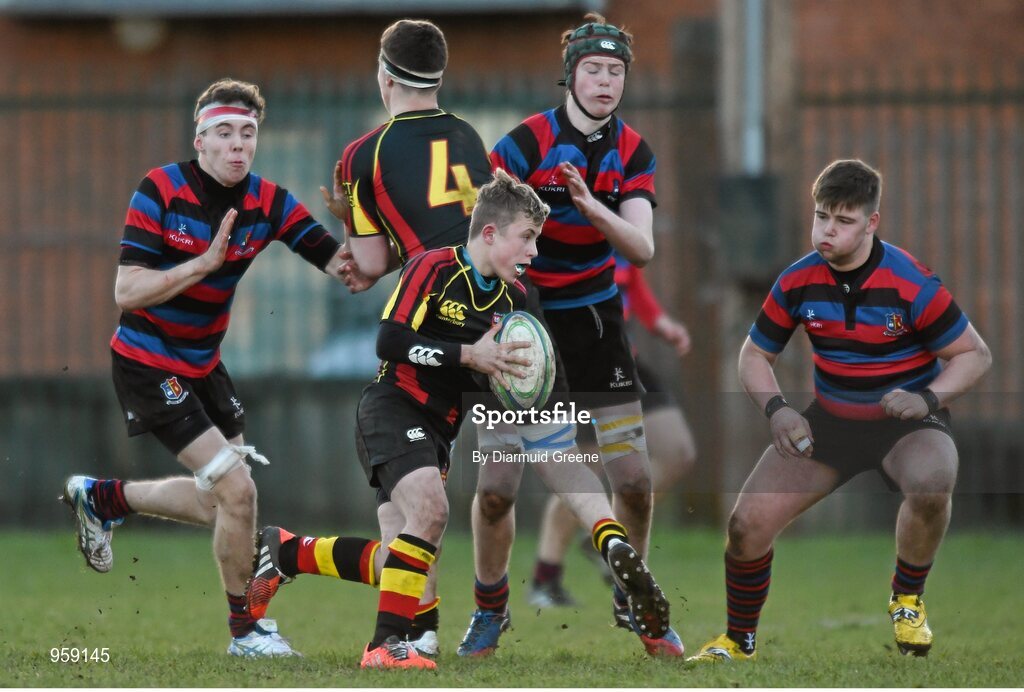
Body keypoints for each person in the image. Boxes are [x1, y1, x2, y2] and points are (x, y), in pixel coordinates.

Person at [249, 170, 672, 670]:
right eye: (528, 238)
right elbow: (389, 341)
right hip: (392, 407)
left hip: (438, 434)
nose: (534, 252)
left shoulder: (518, 304)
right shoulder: (433, 268)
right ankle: (384, 649)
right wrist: (468, 355)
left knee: (398, 559)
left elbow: (551, 445)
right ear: (490, 233)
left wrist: (608, 532)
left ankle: (287, 552)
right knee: (432, 510)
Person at [60, 78, 349, 658]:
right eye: (224, 133)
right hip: (146, 359)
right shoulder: (160, 188)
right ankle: (246, 633)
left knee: (223, 501)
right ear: (201, 140)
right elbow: (127, 290)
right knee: (239, 492)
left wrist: (355, 222)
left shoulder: (269, 201)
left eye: (248, 133)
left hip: (204, 366)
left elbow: (350, 269)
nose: (238, 144)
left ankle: (105, 499)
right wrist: (203, 264)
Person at [688, 159, 991, 662]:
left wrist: (928, 399)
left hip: (906, 424)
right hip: (830, 422)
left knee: (933, 479)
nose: (827, 230)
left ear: (872, 223)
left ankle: (908, 599)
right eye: (821, 216)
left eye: (843, 221)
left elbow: (974, 354)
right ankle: (738, 642)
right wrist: (779, 411)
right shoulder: (797, 281)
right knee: (745, 526)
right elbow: (753, 356)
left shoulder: (911, 281)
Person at [267, 18, 492, 658]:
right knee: (419, 514)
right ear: (440, 78)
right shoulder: (473, 138)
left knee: (408, 521)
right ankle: (397, 640)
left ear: (384, 78)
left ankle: (292, 555)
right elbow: (466, 240)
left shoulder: (361, 155)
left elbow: (367, 265)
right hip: (464, 320)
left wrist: (353, 232)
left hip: (424, 317)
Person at [462, 12, 684, 658]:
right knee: (498, 488)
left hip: (595, 326)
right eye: (593, 70)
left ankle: (633, 600)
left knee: (636, 479)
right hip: (521, 324)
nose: (605, 82)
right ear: (570, 75)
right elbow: (482, 230)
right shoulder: (525, 143)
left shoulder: (633, 152)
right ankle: (489, 608)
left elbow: (640, 247)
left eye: (616, 72)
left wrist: (590, 207)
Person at [529, 254, 698, 608]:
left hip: (623, 362)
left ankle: (604, 541)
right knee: (582, 468)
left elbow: (637, 294)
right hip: (575, 370)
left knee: (678, 451)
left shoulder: (619, 238)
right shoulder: (550, 238)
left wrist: (664, 325)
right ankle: (546, 578)